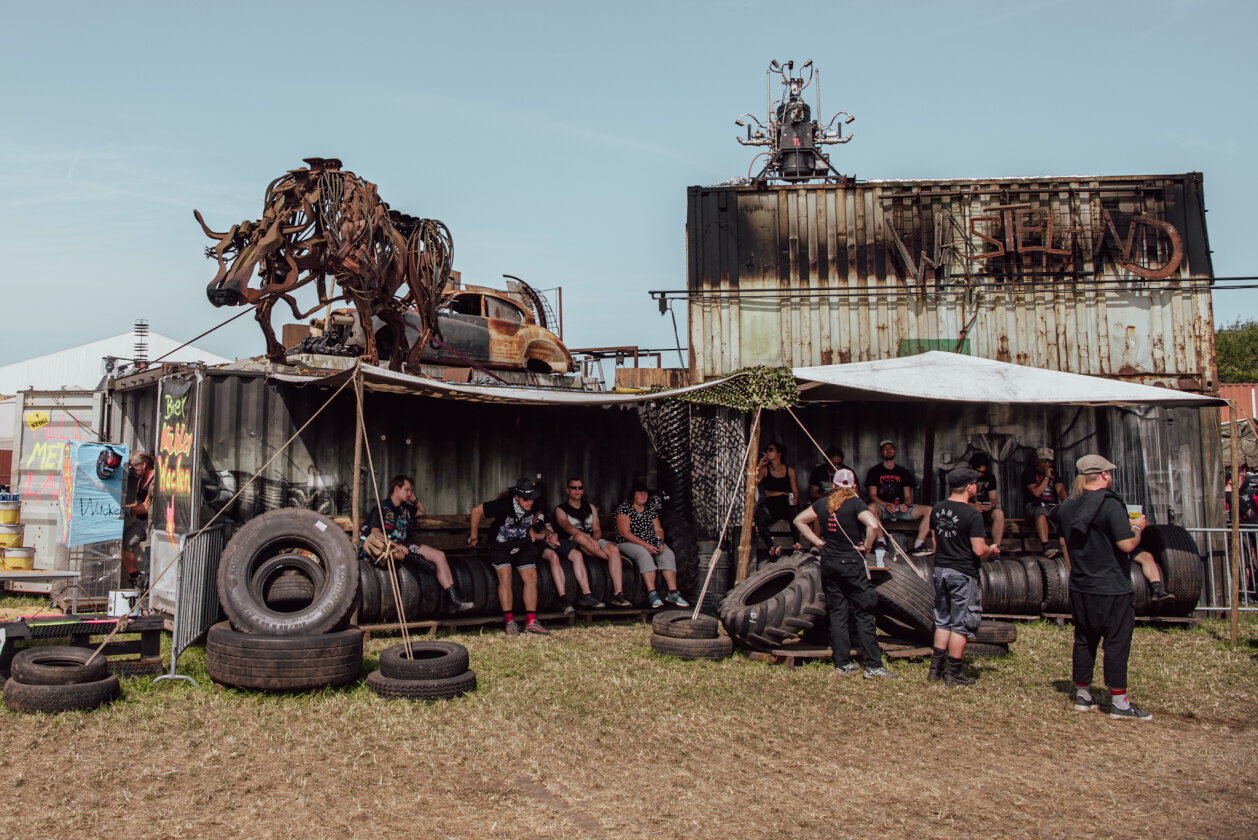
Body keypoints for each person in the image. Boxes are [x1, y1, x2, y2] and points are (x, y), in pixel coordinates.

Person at [1058, 454, 1153, 720]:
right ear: (1103, 475)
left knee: (1084, 638)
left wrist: (1075, 569)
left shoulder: (1067, 505)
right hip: (1111, 586)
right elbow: (1127, 545)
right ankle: (1120, 703)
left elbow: (1065, 543)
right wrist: (1137, 527)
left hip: (1080, 584)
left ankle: (1082, 694)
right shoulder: (1110, 505)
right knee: (1116, 642)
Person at [794, 468, 898, 679]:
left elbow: (799, 520)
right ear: (852, 487)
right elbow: (872, 524)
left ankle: (842, 663)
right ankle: (873, 665)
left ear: (833, 485)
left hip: (830, 562)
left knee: (838, 612)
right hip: (852, 563)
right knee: (864, 612)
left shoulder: (822, 503)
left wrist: (817, 542)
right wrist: (867, 547)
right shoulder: (855, 503)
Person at [927, 467, 1000, 686]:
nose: (976, 487)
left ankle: (934, 670)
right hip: (963, 572)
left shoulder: (937, 509)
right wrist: (992, 550)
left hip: (941, 570)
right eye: (975, 484)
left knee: (943, 620)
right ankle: (953, 672)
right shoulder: (972, 514)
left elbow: (936, 542)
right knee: (961, 623)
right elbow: (979, 550)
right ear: (968, 487)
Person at [360, 475, 474, 613]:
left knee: (440, 556)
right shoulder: (382, 507)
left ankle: (454, 601)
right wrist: (395, 545)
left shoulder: (406, 508)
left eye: (410, 491)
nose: (409, 493)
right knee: (389, 550)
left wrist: (413, 498)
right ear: (397, 489)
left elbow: (422, 511)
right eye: (407, 490)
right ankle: (413, 560)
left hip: (405, 545)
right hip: (385, 547)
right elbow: (375, 532)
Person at [468, 477, 550, 636]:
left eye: (531, 499)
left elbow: (537, 511)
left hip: (522, 543)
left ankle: (531, 622)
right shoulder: (504, 505)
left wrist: (531, 528)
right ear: (517, 497)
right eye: (525, 499)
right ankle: (510, 622)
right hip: (500, 545)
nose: (529, 503)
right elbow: (476, 511)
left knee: (531, 576)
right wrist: (474, 536)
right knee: (505, 577)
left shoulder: (536, 503)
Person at [554, 477, 629, 608]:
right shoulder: (560, 509)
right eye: (574, 488)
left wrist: (594, 540)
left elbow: (597, 529)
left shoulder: (591, 507)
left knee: (614, 549)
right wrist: (588, 539)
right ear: (568, 490)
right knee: (579, 537)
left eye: (580, 488)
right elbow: (567, 527)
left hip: (592, 540)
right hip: (575, 540)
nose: (577, 491)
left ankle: (618, 594)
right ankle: (614, 559)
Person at [614, 479, 688, 609]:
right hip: (628, 543)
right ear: (633, 495)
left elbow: (658, 529)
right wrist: (646, 546)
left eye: (645, 493)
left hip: (650, 542)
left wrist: (659, 542)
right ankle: (652, 593)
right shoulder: (624, 509)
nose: (643, 496)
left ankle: (672, 592)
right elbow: (625, 532)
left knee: (667, 553)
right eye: (640, 493)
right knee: (643, 554)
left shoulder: (650, 509)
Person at [864, 440, 933, 557]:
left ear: (895, 451)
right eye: (885, 449)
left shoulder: (903, 472)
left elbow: (908, 497)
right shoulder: (874, 472)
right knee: (870, 508)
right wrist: (885, 505)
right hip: (883, 508)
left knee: (929, 510)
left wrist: (905, 505)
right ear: (881, 453)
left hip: (899, 508)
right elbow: (872, 496)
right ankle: (881, 542)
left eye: (891, 448)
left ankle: (919, 544)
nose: (888, 451)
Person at [754, 442, 803, 558]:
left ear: (779, 453)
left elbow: (795, 490)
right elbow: (754, 482)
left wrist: (794, 498)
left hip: (786, 502)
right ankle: (772, 547)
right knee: (759, 516)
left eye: (771, 450)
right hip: (772, 503)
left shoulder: (789, 470)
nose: (768, 452)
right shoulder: (765, 470)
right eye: (767, 450)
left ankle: (797, 544)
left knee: (794, 509)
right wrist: (759, 466)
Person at [1022, 446, 1067, 558]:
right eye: (1043, 460)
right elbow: (1036, 492)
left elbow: (1060, 490)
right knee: (1041, 512)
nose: (1046, 464)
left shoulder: (1054, 473)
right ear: (1037, 459)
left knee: (1065, 512)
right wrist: (1046, 477)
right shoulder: (1030, 473)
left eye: (1049, 461)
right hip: (1034, 505)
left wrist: (1066, 504)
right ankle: (1046, 546)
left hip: (1051, 506)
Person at [121, 451, 155, 589]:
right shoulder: (140, 480)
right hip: (140, 522)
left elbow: (146, 507)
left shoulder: (155, 480)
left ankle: (148, 583)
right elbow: (137, 503)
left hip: (152, 522)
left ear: (144, 464)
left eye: (135, 467)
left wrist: (125, 510)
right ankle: (136, 578)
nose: (133, 471)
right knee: (125, 543)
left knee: (149, 551)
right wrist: (121, 508)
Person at [966, 451, 1006, 549]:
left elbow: (994, 498)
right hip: (968, 508)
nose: (980, 474)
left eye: (983, 472)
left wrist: (990, 505)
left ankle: (996, 547)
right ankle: (978, 547)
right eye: (978, 471)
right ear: (971, 467)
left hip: (983, 507)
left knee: (999, 513)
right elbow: (957, 500)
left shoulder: (990, 477)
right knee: (976, 513)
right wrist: (973, 506)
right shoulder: (964, 476)